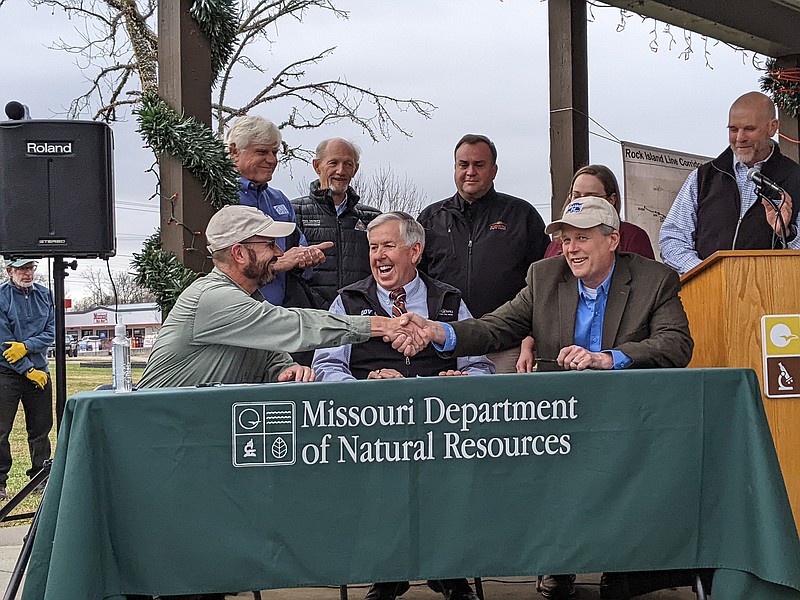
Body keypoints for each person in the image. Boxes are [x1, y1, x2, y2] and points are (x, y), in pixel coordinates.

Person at [405, 197, 693, 599]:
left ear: (612, 240)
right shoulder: (544, 276)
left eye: (582, 239)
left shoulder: (654, 278)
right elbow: (497, 327)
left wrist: (609, 359)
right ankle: (559, 561)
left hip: (628, 415)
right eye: (565, 240)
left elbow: (676, 344)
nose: (571, 248)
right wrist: (442, 333)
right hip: (562, 417)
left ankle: (624, 565)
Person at [312, 212, 490, 600]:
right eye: (373, 248)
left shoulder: (448, 299)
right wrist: (362, 388)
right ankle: (388, 574)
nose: (378, 256)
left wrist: (459, 387)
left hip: (440, 428)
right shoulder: (349, 300)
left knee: (450, 482)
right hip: (372, 428)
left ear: (415, 251)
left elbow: (481, 366)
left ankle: (449, 573)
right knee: (382, 484)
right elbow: (325, 367)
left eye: (387, 246)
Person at [137, 205, 423, 390]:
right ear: (239, 253)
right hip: (159, 429)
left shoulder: (250, 300)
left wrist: (288, 369)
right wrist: (381, 325)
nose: (278, 253)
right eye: (270, 244)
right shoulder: (213, 298)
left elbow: (270, 354)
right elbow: (292, 324)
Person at [417, 134, 550, 373]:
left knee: (502, 409)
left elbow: (543, 286)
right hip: (443, 347)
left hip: (505, 347)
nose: (470, 172)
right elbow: (416, 282)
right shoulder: (430, 219)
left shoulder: (521, 215)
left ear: (494, 170)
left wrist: (530, 337)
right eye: (463, 165)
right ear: (454, 167)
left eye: (479, 165)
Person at [518, 165, 654, 372]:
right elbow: (535, 308)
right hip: (564, 384)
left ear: (611, 200)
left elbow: (661, 329)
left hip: (621, 378)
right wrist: (528, 342)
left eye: (590, 196)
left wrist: (607, 358)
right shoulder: (544, 270)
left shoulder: (635, 245)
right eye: (576, 195)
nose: (572, 249)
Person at [659, 91, 800, 274]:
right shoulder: (703, 177)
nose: (740, 138)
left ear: (772, 128)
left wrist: (786, 234)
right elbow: (672, 237)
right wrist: (705, 272)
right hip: (708, 295)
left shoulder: (794, 178)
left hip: (771, 297)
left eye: (749, 129)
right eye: (733, 129)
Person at [227, 115, 332, 305]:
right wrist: (276, 265)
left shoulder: (279, 199)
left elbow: (298, 248)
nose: (271, 160)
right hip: (238, 314)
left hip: (282, 312)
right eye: (261, 152)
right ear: (234, 151)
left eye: (274, 152)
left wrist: (306, 258)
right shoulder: (220, 197)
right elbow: (220, 264)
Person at [290, 138, 381, 309]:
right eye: (333, 163)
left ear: (356, 169)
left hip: (358, 317)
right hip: (309, 317)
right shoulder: (293, 213)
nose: (341, 170)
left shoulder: (373, 218)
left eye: (348, 164)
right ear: (317, 166)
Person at [0, 258, 54, 501]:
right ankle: (0, 483)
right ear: (9, 271)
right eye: (22, 269)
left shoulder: (46, 295)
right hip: (6, 373)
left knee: (41, 429)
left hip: (40, 372)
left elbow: (53, 331)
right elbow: (4, 343)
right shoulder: (2, 296)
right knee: (1, 431)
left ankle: (40, 478)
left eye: (30, 268)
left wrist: (26, 347)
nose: (27, 273)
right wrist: (26, 369)